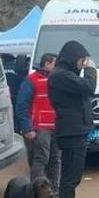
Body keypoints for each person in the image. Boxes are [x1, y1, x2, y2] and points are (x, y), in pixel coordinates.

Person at [47, 41, 96, 198]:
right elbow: (89, 87)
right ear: (74, 58)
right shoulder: (61, 76)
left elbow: (82, 88)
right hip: (71, 131)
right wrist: (91, 69)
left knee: (73, 174)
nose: (83, 64)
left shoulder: (65, 75)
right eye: (82, 60)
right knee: (70, 176)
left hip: (75, 129)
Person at [16, 52, 60, 189]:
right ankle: (36, 190)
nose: (58, 67)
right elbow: (22, 105)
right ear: (47, 64)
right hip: (40, 128)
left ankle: (53, 189)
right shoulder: (31, 80)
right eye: (55, 64)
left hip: (56, 127)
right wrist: (27, 128)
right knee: (41, 159)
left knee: (55, 159)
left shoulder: (57, 80)